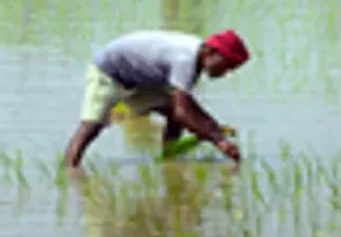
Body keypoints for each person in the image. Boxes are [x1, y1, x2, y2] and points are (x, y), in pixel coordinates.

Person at [64, 30, 251, 169]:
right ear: (210, 52)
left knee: (172, 111)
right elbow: (184, 112)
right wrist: (218, 140)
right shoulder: (186, 60)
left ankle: (169, 162)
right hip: (109, 71)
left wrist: (214, 128)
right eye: (226, 66)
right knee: (91, 126)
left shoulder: (195, 59)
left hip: (139, 79)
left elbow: (185, 106)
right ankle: (70, 171)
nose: (225, 73)